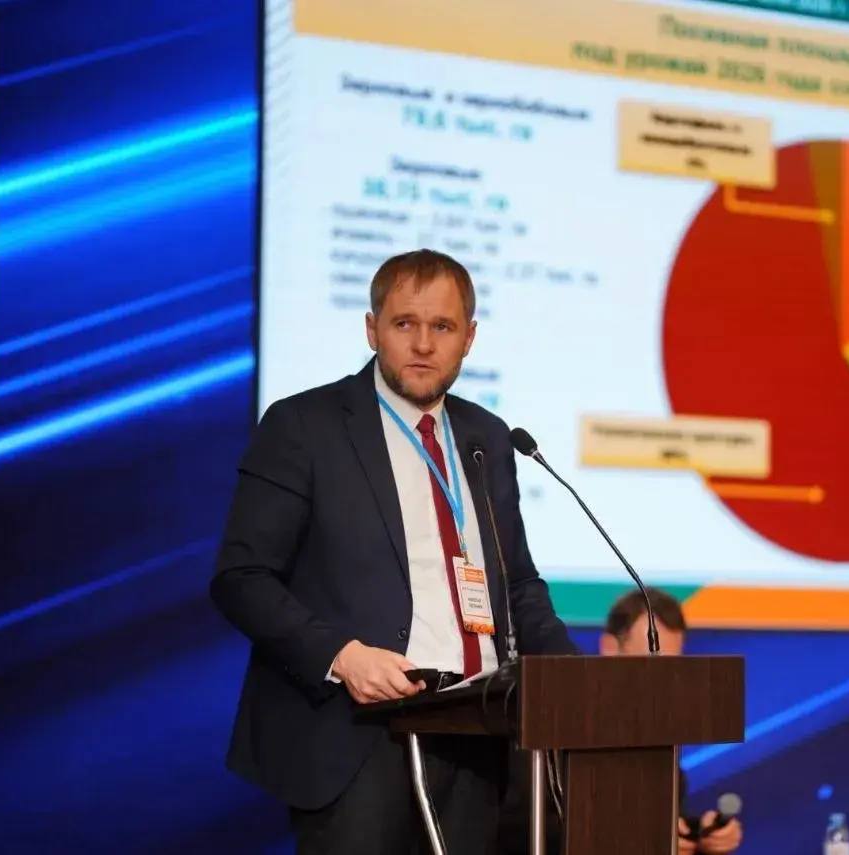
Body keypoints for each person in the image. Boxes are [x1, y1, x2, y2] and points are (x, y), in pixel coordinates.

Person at [211, 249, 576, 855]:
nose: (424, 344)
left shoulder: (487, 436)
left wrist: (577, 679)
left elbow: (516, 585)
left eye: (443, 327)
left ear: (469, 338)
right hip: (359, 736)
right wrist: (341, 656)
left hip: (480, 734)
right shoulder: (305, 425)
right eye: (405, 323)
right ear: (371, 329)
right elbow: (241, 577)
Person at [497, 588, 744, 855]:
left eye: (671, 668)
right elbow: (519, 828)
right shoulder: (547, 722)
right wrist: (642, 835)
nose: (660, 682)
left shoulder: (660, 741)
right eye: (650, 663)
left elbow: (664, 820)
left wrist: (701, 835)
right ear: (610, 647)